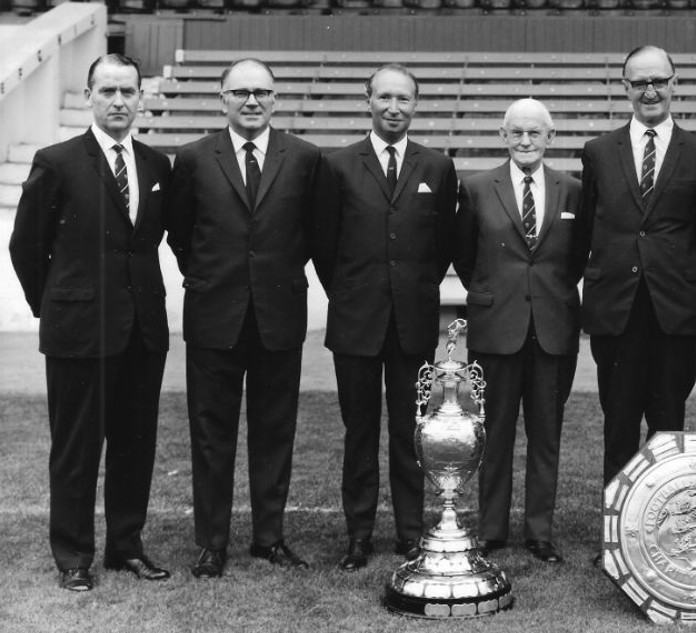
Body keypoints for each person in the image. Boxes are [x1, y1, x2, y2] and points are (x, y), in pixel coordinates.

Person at [9, 54, 172, 592]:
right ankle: (73, 555)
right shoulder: (56, 161)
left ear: (141, 98)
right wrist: (56, 305)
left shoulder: (155, 165)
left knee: (135, 444)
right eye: (108, 91)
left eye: (128, 91)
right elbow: (26, 247)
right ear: (89, 96)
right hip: (79, 334)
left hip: (142, 332)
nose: (119, 101)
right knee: (76, 448)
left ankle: (126, 546)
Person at [165, 58, 322, 578]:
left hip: (278, 314)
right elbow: (182, 236)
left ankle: (269, 537)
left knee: (274, 430)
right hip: (214, 315)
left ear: (275, 99)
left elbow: (311, 234)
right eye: (241, 92)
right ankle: (212, 542)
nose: (251, 101)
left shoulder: (304, 157)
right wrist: (219, 279)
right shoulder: (190, 158)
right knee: (212, 433)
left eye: (261, 92)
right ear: (222, 99)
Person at [312, 64, 458, 571]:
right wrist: (355, 295)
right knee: (359, 432)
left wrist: (408, 294)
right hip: (356, 320)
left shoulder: (437, 167)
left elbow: (440, 249)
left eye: (404, 99)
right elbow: (323, 246)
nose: (394, 107)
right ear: (368, 100)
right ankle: (358, 534)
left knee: (410, 432)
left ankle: (411, 532)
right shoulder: (337, 165)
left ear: (416, 105)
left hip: (412, 323)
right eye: (385, 98)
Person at [453, 98, 586, 564]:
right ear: (502, 135)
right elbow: (465, 258)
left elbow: (577, 256)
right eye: (517, 133)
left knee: (546, 434)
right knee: (494, 431)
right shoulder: (474, 188)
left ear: (550, 137)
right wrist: (498, 295)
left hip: (554, 329)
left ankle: (539, 532)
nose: (525, 141)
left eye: (535, 133)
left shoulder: (572, 190)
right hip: (496, 329)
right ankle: (492, 530)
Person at [579, 45, 696, 489]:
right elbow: (589, 225)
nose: (650, 91)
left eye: (658, 81)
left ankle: (663, 530)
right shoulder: (598, 151)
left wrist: (681, 271)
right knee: (618, 423)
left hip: (673, 307)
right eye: (640, 83)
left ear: (674, 83)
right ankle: (616, 533)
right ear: (626, 88)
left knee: (668, 424)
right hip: (616, 307)